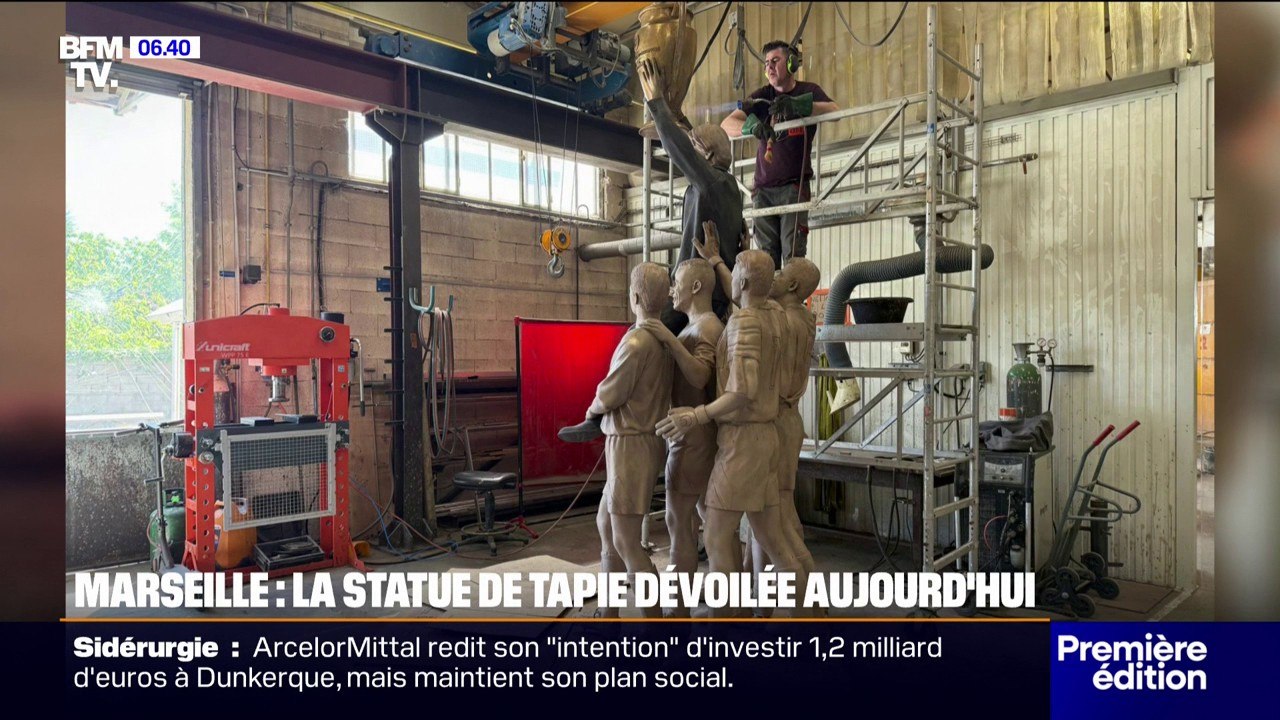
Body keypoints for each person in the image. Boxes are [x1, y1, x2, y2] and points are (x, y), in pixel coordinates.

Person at [657, 222, 808, 618]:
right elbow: (750, 293)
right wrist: (719, 261)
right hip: (766, 437)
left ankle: (729, 623)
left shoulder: (743, 323)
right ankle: (804, 620)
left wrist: (697, 414)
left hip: (744, 442)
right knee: (774, 537)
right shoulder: (775, 314)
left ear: (741, 280)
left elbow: (741, 391)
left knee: (718, 532)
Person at [563, 263, 673, 618]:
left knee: (626, 539)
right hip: (636, 441)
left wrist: (592, 411)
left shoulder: (637, 341)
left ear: (636, 296)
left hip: (631, 443)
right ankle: (608, 612)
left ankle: (655, 623)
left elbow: (611, 391)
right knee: (606, 525)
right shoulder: (659, 339)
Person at [639, 258, 723, 618]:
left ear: (696, 287)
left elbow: (701, 376)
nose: (672, 288)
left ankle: (678, 611)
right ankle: (723, 606)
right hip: (693, 435)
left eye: (677, 282)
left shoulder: (705, 328)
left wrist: (668, 340)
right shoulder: (700, 326)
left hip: (692, 437)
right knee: (709, 523)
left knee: (679, 526)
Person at [636, 58, 745, 333]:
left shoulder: (714, 184)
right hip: (704, 292)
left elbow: (679, 148)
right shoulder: (721, 187)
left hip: (698, 293)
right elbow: (687, 140)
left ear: (706, 155)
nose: (690, 156)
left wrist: (657, 103)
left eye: (695, 148)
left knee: (642, 335)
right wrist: (676, 115)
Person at [721, 40, 838, 270]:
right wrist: (751, 127)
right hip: (763, 190)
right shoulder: (761, 98)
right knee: (765, 262)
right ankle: (769, 306)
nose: (769, 68)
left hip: (794, 187)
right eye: (766, 63)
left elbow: (835, 112)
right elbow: (726, 124)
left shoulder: (808, 91)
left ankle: (791, 305)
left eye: (775, 61)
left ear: (792, 63)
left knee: (793, 256)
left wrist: (799, 106)